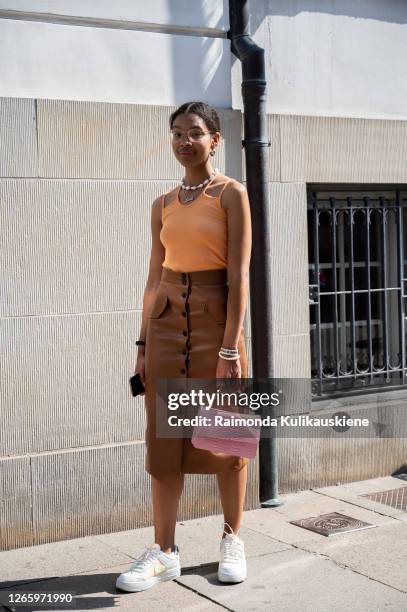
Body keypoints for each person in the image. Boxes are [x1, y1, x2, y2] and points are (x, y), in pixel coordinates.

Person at [116, 101, 252, 593]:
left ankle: (233, 537)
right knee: (164, 439)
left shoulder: (231, 194)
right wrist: (142, 343)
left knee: (227, 432)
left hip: (218, 325)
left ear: (215, 139)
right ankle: (165, 551)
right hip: (166, 324)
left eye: (194, 132)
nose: (184, 141)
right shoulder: (163, 203)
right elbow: (154, 276)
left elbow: (239, 277)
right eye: (176, 133)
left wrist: (231, 347)